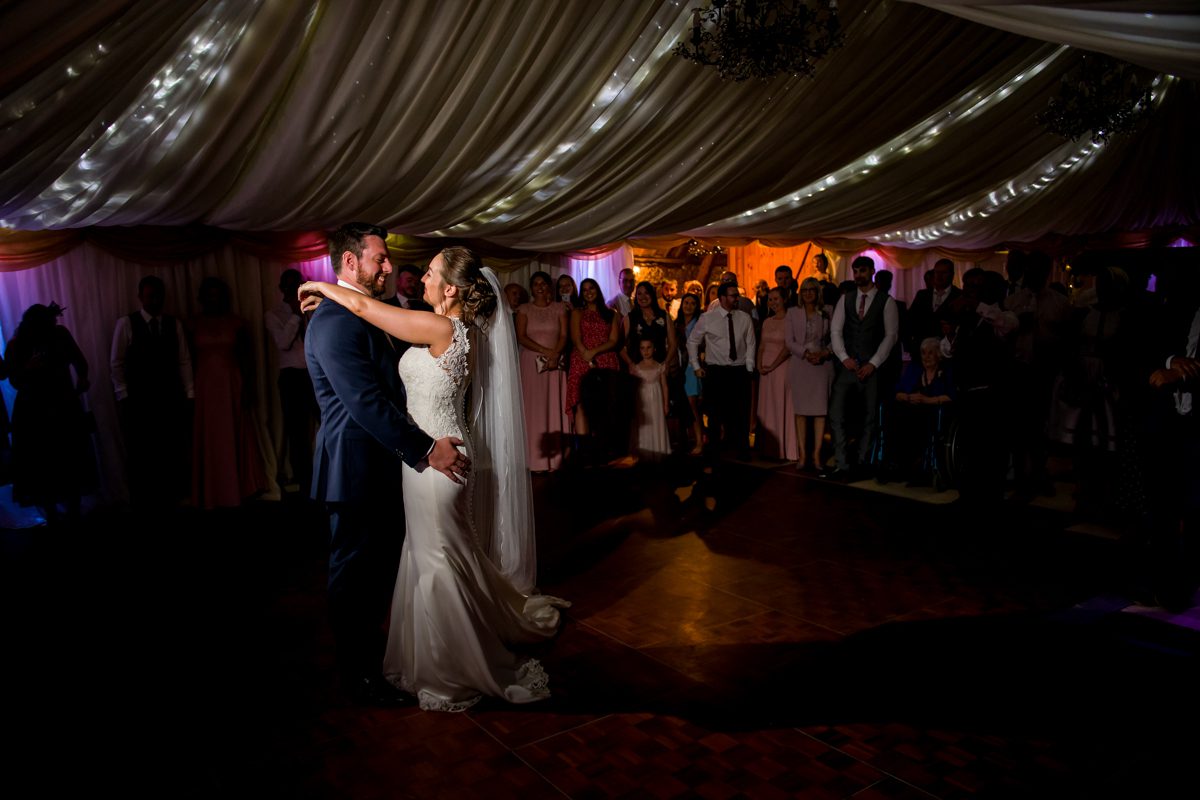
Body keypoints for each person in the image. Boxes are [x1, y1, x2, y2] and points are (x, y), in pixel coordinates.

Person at [302, 235, 567, 711]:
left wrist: (325, 287)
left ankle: (448, 665)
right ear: (350, 259)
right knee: (405, 565)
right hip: (396, 461)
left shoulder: (437, 327)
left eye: (428, 272)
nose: (402, 271)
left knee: (434, 561)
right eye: (380, 258)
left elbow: (370, 329)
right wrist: (334, 295)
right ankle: (379, 668)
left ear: (450, 290)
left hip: (433, 460)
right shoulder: (364, 323)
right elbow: (364, 400)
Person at [5, 303, 93, 525]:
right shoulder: (17, 346)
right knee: (41, 464)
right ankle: (52, 513)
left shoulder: (60, 335)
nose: (54, 326)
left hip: (63, 405)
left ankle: (73, 511)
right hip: (33, 413)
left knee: (70, 459)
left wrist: (82, 378)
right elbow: (14, 380)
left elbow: (80, 361)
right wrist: (29, 368)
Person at [110, 275, 193, 507]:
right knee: (141, 452)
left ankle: (171, 496)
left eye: (158, 296)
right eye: (150, 296)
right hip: (139, 399)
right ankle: (144, 499)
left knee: (170, 449)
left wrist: (189, 393)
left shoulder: (173, 324)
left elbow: (183, 360)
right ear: (140, 297)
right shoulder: (126, 324)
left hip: (168, 397)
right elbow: (116, 362)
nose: (155, 300)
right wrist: (123, 394)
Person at [188, 276, 267, 509]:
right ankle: (211, 490)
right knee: (209, 437)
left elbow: (247, 359)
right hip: (204, 389)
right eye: (210, 294)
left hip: (231, 385)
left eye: (218, 294)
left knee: (233, 434)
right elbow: (187, 360)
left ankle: (237, 488)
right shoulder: (193, 324)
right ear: (203, 298)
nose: (214, 299)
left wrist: (248, 388)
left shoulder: (237, 323)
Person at [827, 256, 899, 479]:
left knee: (869, 417)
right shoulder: (846, 299)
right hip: (847, 367)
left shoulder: (886, 301)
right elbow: (836, 331)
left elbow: (891, 336)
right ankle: (842, 463)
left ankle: (862, 462)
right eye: (856, 271)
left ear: (872, 272)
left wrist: (873, 363)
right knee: (837, 414)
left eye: (863, 271)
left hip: (872, 369)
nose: (859, 275)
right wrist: (843, 357)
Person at [265, 269, 318, 496]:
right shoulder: (273, 314)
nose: (293, 290)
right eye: (288, 286)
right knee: (297, 431)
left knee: (325, 423)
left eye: (297, 285)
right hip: (291, 377)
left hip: (314, 376)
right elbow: (283, 343)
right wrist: (297, 315)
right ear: (281, 289)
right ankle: (304, 482)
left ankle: (325, 474)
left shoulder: (312, 310)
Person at [688, 283, 756, 457]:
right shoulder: (708, 318)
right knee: (715, 414)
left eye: (737, 295)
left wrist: (748, 369)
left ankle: (741, 449)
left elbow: (750, 343)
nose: (737, 298)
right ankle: (714, 451)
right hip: (716, 372)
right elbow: (692, 341)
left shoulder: (744, 318)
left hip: (739, 371)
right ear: (722, 298)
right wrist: (696, 366)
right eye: (733, 295)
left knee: (740, 412)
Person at [515, 271, 569, 472]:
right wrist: (548, 352)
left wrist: (555, 354)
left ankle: (556, 460)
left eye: (544, 283)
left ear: (549, 286)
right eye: (536, 283)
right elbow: (521, 337)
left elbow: (564, 335)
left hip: (555, 363)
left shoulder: (560, 308)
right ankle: (534, 459)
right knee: (534, 408)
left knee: (555, 404)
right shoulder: (524, 309)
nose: (540, 287)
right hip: (531, 363)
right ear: (531, 288)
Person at [786, 278, 833, 472]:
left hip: (822, 365)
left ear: (817, 292)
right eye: (804, 290)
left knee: (820, 411)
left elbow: (835, 339)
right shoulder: (792, 312)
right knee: (801, 412)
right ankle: (803, 455)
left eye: (812, 290)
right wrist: (805, 353)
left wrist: (823, 354)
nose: (808, 293)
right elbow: (789, 341)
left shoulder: (828, 311)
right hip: (800, 363)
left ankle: (816, 455)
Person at [630, 338, 670, 461]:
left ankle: (658, 452)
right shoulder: (636, 368)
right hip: (643, 401)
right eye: (642, 348)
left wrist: (666, 404)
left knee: (657, 424)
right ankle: (645, 453)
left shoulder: (659, 366)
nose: (645, 351)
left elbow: (664, 386)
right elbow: (633, 388)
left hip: (656, 402)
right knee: (644, 426)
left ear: (654, 349)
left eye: (648, 347)